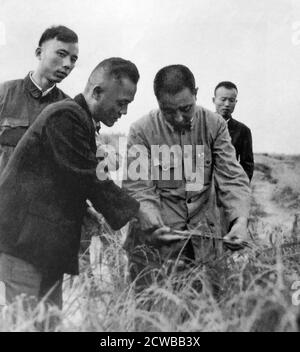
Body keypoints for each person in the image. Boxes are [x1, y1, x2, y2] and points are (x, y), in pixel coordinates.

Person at [0, 57, 140, 309]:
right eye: (121, 103)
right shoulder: (66, 116)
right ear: (97, 91)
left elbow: (61, 182)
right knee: (27, 322)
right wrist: (140, 214)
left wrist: (88, 212)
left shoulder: (79, 120)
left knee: (49, 321)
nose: (124, 112)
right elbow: (88, 176)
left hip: (43, 245)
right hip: (22, 244)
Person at [122, 65, 251, 292]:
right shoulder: (140, 131)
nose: (178, 117)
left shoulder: (215, 125)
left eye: (186, 108)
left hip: (203, 245)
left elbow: (231, 177)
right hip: (156, 249)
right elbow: (139, 188)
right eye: (168, 111)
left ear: (196, 94)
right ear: (158, 101)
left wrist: (239, 221)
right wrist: (153, 224)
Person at [0, 25, 79, 175]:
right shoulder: (4, 94)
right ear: (39, 53)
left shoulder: (70, 109)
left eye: (73, 59)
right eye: (61, 54)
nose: (68, 64)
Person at [213, 81, 254, 181]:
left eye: (231, 100)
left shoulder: (243, 131)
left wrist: (238, 188)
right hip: (202, 189)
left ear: (236, 102)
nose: (227, 104)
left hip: (229, 188)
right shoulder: (201, 125)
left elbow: (247, 165)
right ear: (214, 100)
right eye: (223, 99)